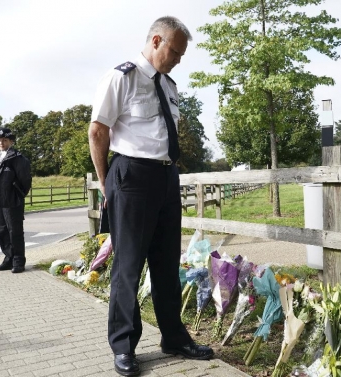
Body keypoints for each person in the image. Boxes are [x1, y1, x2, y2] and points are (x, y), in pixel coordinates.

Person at [88, 16, 213, 377]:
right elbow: (98, 132)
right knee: (128, 266)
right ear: (156, 41)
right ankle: (124, 346)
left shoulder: (169, 85)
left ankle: (173, 337)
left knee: (165, 264)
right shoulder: (121, 77)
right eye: (174, 51)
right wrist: (105, 183)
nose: (177, 59)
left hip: (165, 177)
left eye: (181, 54)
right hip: (132, 177)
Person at [0, 127, 32, 274]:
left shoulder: (18, 158)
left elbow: (25, 181)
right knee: (2, 230)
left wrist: (18, 195)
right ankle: (8, 258)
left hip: (12, 201)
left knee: (15, 231)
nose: (1, 142)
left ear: (11, 141)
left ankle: (18, 261)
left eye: (4, 140)